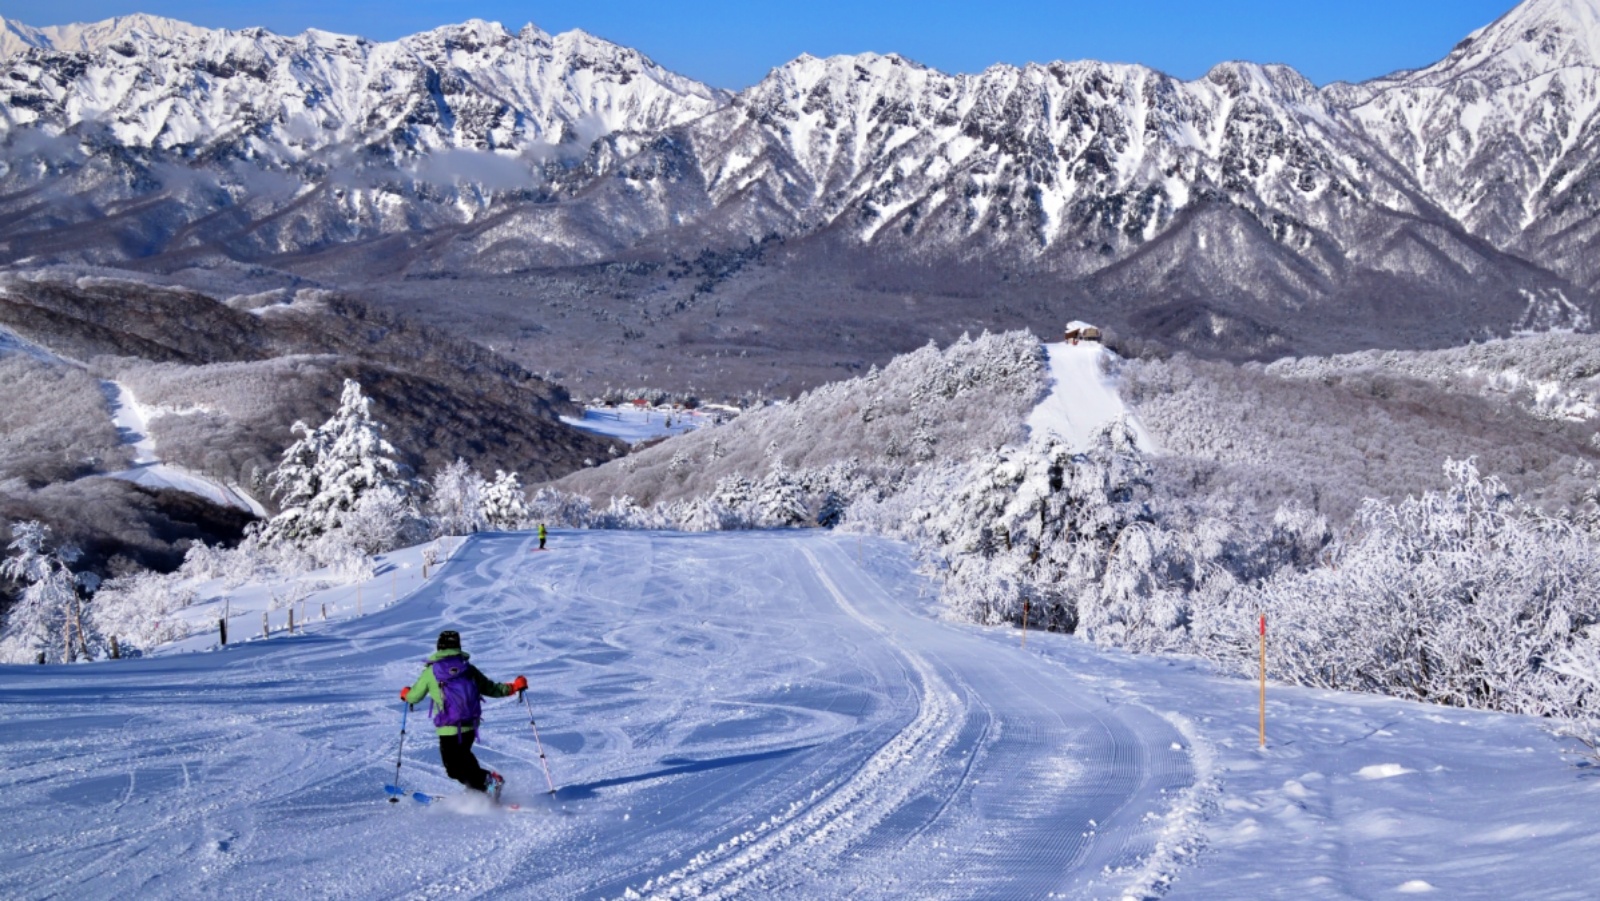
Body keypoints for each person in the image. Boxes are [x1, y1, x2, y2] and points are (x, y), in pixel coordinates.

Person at [400, 629, 527, 800]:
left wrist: (406, 694)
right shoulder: (468, 669)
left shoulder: (432, 671)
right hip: (469, 725)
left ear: (439, 647)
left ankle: (489, 782)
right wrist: (513, 687)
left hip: (449, 728)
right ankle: (478, 789)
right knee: (465, 759)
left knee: (453, 769)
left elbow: (415, 696)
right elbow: (491, 688)